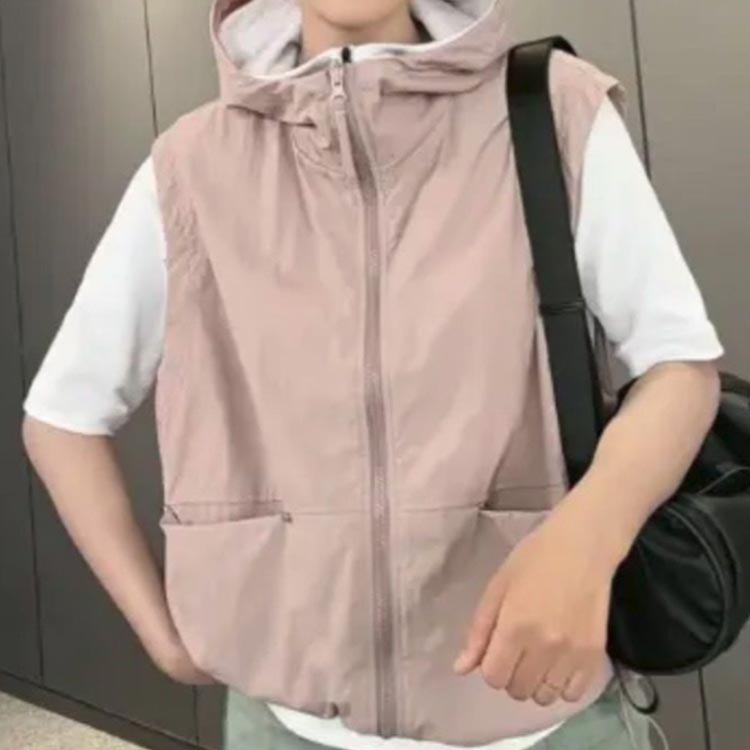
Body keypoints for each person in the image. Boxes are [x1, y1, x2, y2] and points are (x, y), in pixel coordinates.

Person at [21, 1, 725, 749]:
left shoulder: (554, 109)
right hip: (282, 724)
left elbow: (679, 366)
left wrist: (586, 539)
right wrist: (164, 637)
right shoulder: (191, 164)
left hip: (542, 708)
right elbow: (63, 419)